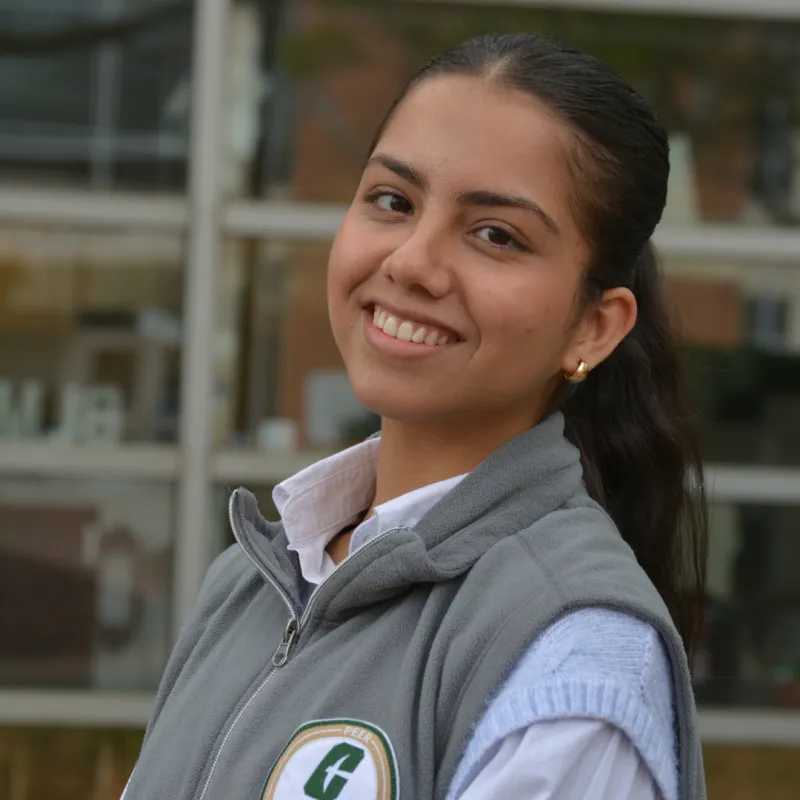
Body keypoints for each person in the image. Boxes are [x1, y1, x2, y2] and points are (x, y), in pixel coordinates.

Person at [122, 33, 708, 800]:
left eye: (496, 235)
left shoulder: (574, 655)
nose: (410, 262)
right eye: (393, 201)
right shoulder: (250, 582)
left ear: (593, 327)